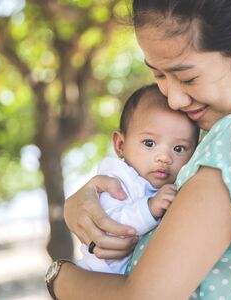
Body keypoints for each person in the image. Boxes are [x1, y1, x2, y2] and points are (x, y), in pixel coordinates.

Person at [48, 0, 231, 299]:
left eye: (187, 78)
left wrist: (58, 277)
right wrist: (88, 203)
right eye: (159, 75)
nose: (174, 99)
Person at [76, 84, 199, 274]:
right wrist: (148, 208)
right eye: (149, 143)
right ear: (120, 145)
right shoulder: (117, 180)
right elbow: (108, 227)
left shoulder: (179, 184)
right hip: (98, 275)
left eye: (179, 148)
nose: (164, 157)